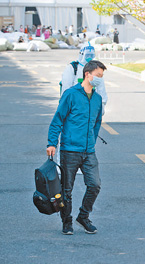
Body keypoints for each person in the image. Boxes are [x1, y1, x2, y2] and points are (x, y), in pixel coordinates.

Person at [46, 60, 106, 235]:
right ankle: (67, 221)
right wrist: (51, 143)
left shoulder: (97, 98)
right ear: (87, 74)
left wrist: (91, 142)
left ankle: (83, 216)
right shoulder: (71, 94)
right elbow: (58, 119)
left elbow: (97, 123)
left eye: (102, 76)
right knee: (67, 189)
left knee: (95, 185)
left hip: (89, 151)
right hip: (70, 150)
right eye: (99, 75)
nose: (101, 79)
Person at [61, 42, 108, 113]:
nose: (89, 57)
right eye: (87, 55)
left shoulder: (96, 70)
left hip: (91, 107)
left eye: (91, 55)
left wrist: (102, 105)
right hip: (75, 107)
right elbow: (66, 88)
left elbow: (101, 89)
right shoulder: (73, 68)